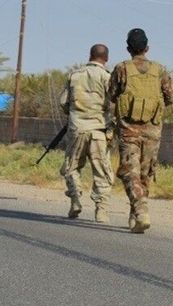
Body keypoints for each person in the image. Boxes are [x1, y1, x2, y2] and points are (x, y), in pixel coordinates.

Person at [105, 28, 173, 234]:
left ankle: (140, 211)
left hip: (129, 130)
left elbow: (111, 95)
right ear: (147, 48)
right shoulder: (160, 70)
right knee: (145, 173)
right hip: (153, 130)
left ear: (128, 49)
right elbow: (171, 98)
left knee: (130, 171)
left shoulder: (121, 69)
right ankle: (137, 212)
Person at [59, 44, 113, 223]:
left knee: (72, 166)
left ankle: (75, 199)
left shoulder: (74, 75)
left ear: (90, 55)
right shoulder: (107, 77)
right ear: (106, 58)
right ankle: (101, 210)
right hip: (99, 130)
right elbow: (114, 104)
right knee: (102, 170)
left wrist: (75, 112)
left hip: (77, 129)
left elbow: (64, 102)